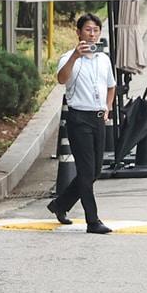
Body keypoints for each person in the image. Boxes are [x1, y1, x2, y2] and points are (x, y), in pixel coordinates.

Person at [49, 13, 115, 235]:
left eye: (96, 30)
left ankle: (60, 205)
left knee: (94, 171)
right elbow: (61, 79)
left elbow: (111, 85)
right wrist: (75, 57)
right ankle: (92, 220)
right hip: (79, 119)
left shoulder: (103, 59)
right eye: (88, 29)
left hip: (98, 118)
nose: (92, 33)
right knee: (86, 171)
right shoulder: (69, 58)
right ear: (78, 32)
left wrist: (108, 106)